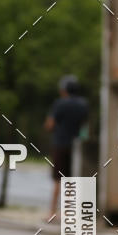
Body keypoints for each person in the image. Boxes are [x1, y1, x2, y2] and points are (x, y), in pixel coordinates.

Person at [44, 75, 89, 219]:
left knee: (58, 179)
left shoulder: (60, 104)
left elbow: (49, 125)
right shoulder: (83, 104)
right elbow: (85, 125)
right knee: (71, 180)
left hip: (60, 144)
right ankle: (68, 213)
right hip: (77, 146)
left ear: (64, 90)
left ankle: (52, 212)